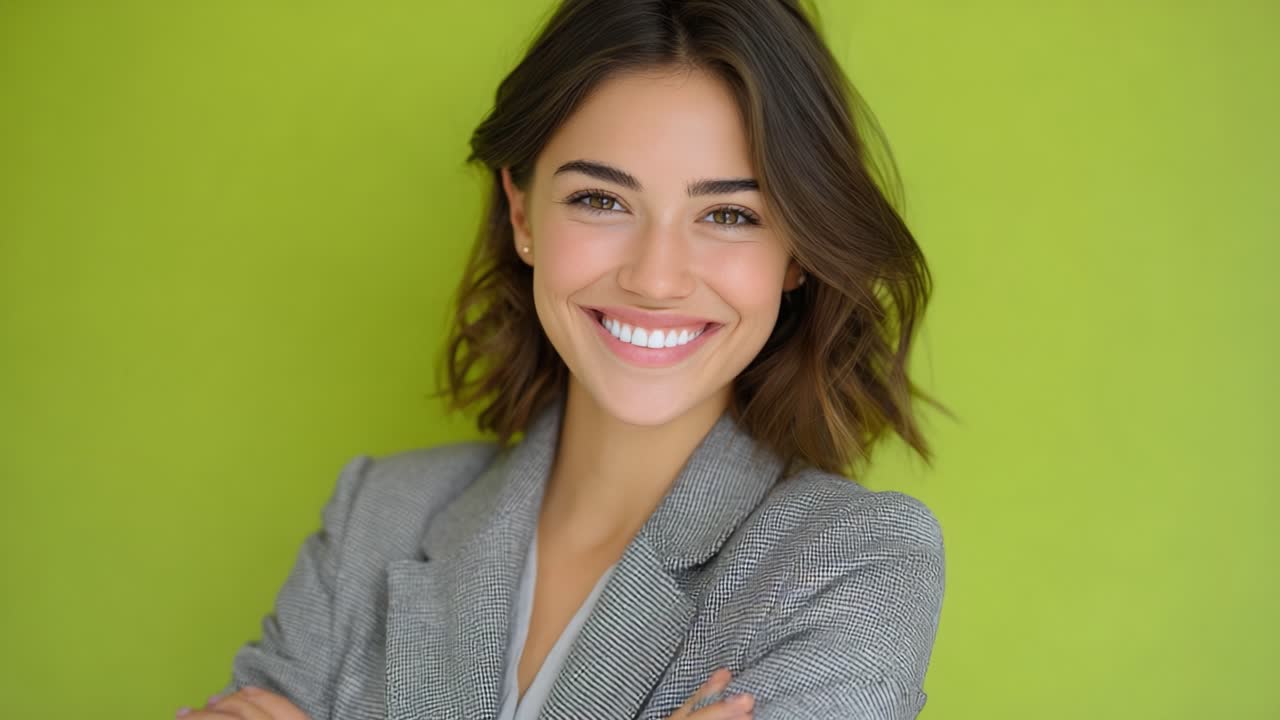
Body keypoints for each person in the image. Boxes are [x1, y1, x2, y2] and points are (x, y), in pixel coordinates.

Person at [182, 0, 950, 718]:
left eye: (728, 214)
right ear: (522, 213)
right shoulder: (375, 516)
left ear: (798, 251)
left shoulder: (853, 566)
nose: (655, 277)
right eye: (601, 200)